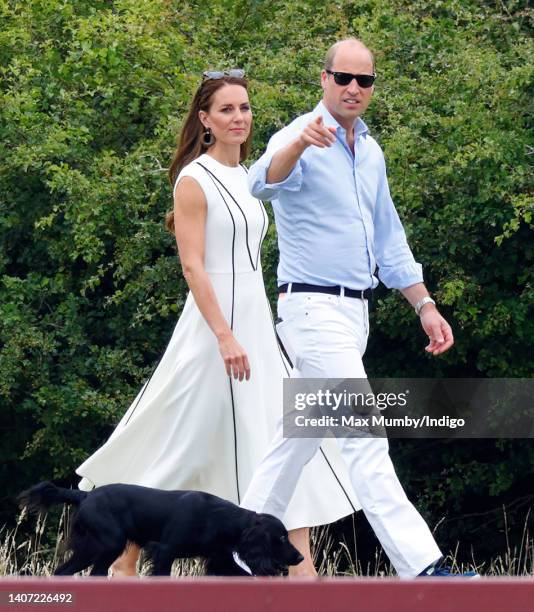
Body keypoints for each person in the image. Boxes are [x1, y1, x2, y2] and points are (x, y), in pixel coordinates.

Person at [75, 70, 361, 577]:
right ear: (204, 119)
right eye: (227, 109)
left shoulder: (249, 175)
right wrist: (225, 335)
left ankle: (303, 573)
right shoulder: (194, 179)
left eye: (245, 108)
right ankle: (124, 563)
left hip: (257, 320)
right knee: (183, 439)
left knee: (278, 434)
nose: (239, 118)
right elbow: (193, 265)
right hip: (215, 328)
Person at [240, 39, 478, 577]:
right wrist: (300, 145)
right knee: (366, 438)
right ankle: (422, 566)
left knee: (295, 443)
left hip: (354, 316)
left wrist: (424, 305)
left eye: (364, 81)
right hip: (311, 311)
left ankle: (239, 547)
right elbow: (260, 182)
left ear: (372, 87)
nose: (353, 88)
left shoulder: (370, 152)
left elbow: (389, 240)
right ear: (324, 78)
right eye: (343, 78)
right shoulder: (301, 135)